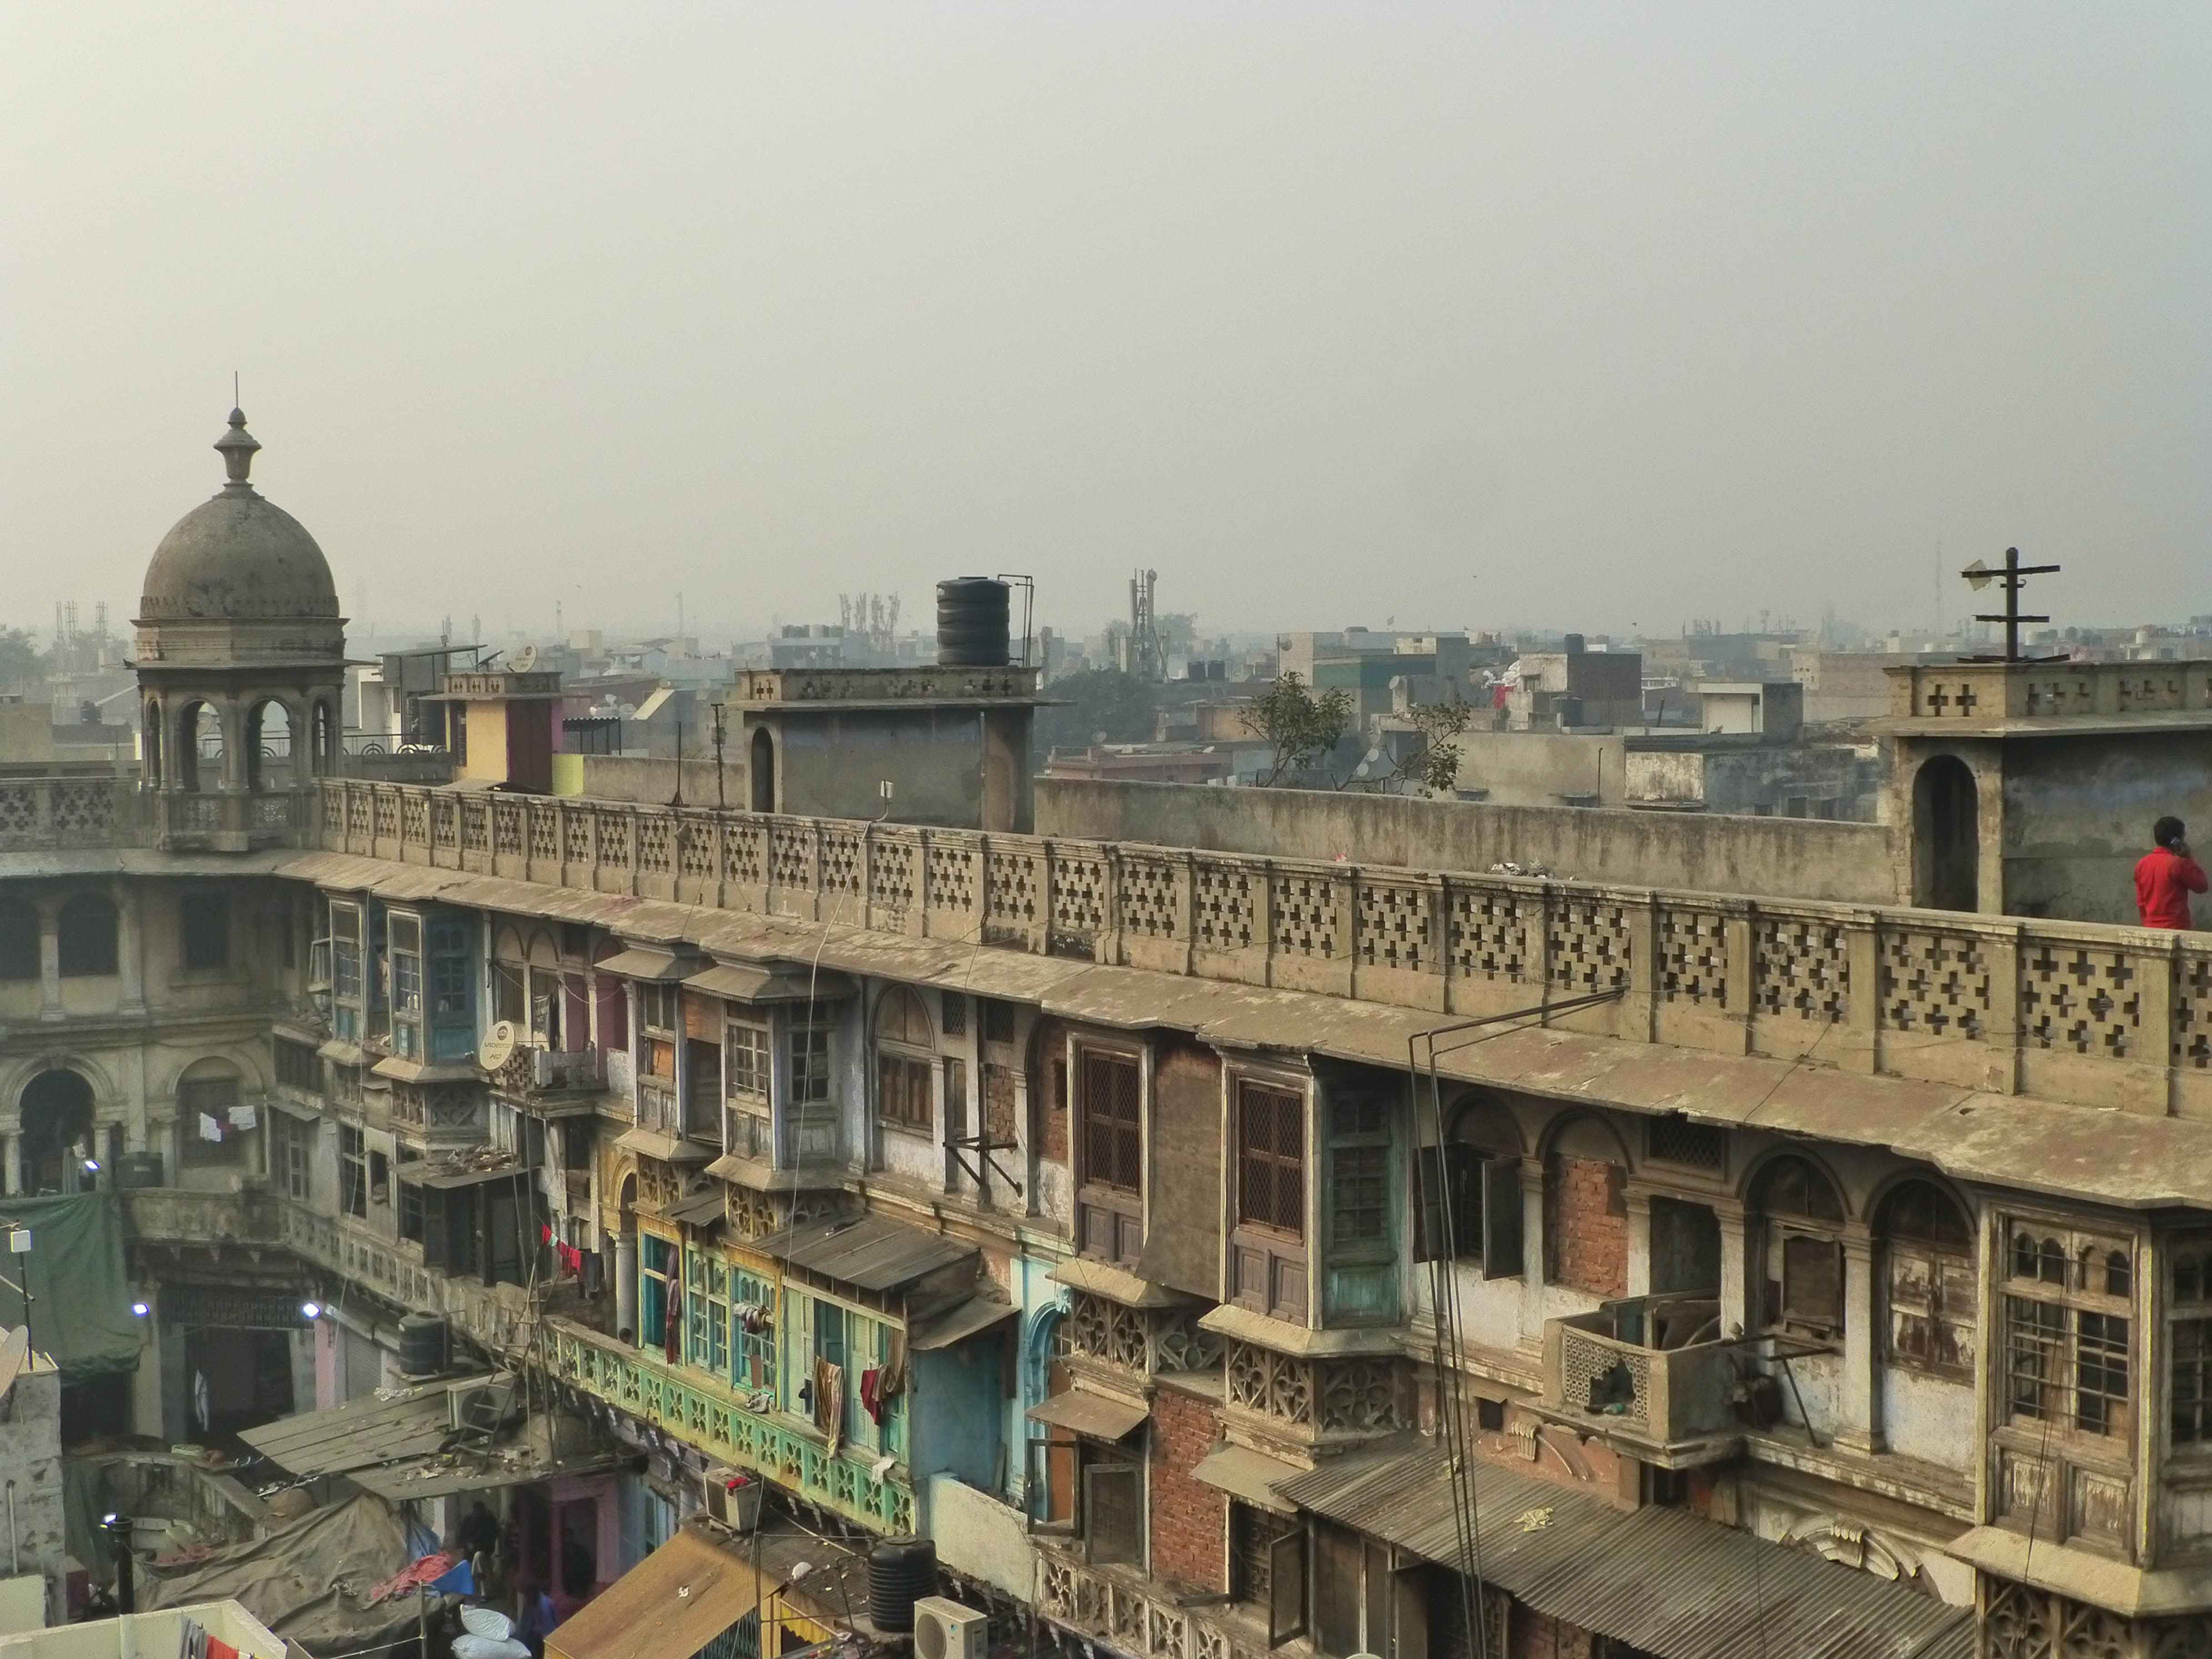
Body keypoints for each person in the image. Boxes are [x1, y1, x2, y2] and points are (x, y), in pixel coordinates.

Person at [2136, 817, 2207, 929]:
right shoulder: (2177, 864)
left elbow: (2141, 903)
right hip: (2176, 928)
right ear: (2176, 840)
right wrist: (2188, 858)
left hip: (2150, 928)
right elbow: (2202, 886)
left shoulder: (2142, 864)